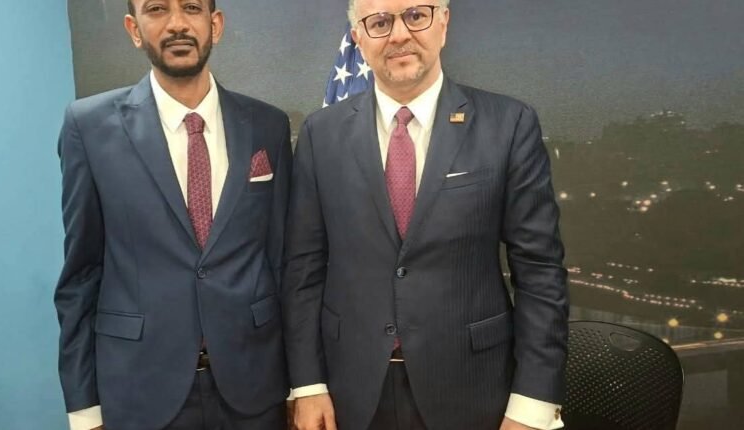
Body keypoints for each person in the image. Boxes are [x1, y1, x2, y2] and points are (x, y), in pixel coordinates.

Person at [282, 1, 568, 429]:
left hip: (474, 389)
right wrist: (307, 385)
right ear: (358, 38)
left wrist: (532, 404)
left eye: (416, 15)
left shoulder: (508, 124)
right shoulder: (320, 134)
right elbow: (302, 269)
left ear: (444, 22)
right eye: (379, 22)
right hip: (349, 394)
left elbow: (540, 271)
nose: (399, 35)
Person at [54, 1, 292, 428]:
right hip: (139, 391)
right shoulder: (88, 127)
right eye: (158, 9)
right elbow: (80, 275)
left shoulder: (268, 126)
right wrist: (84, 408)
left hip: (255, 387)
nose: (177, 23)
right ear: (134, 29)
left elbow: (283, 261)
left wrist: (301, 385)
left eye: (192, 8)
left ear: (215, 25)